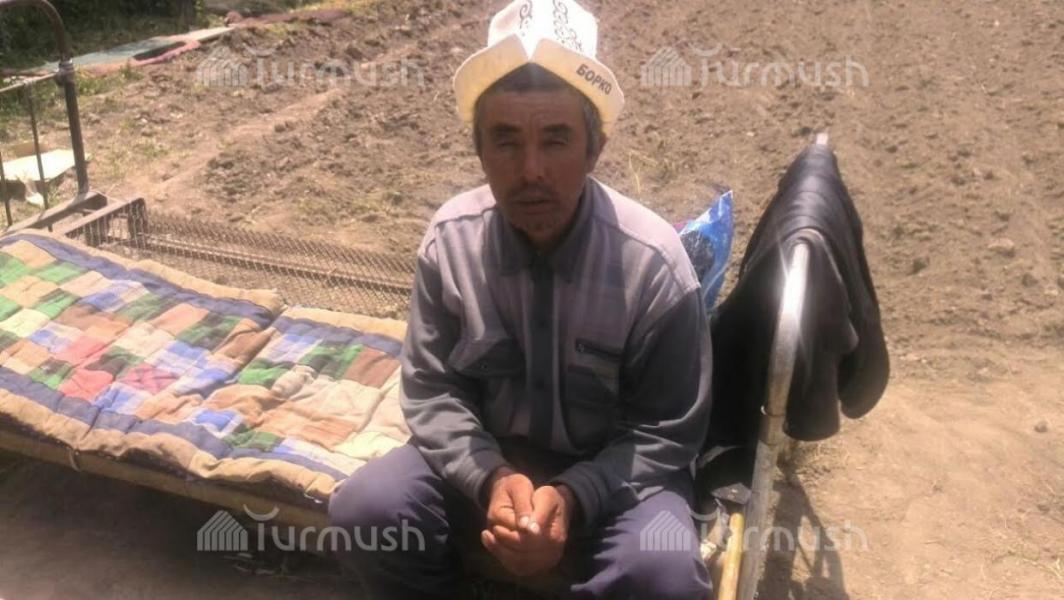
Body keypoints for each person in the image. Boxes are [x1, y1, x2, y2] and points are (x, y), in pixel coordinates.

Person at [329, 1, 713, 597]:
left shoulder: (653, 265)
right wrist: (489, 477)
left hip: (615, 479)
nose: (531, 171)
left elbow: (666, 430)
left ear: (594, 150)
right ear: (479, 150)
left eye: (556, 140)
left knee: (664, 575)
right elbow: (433, 390)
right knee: (367, 511)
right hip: (490, 463)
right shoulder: (450, 243)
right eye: (505, 141)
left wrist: (575, 495)